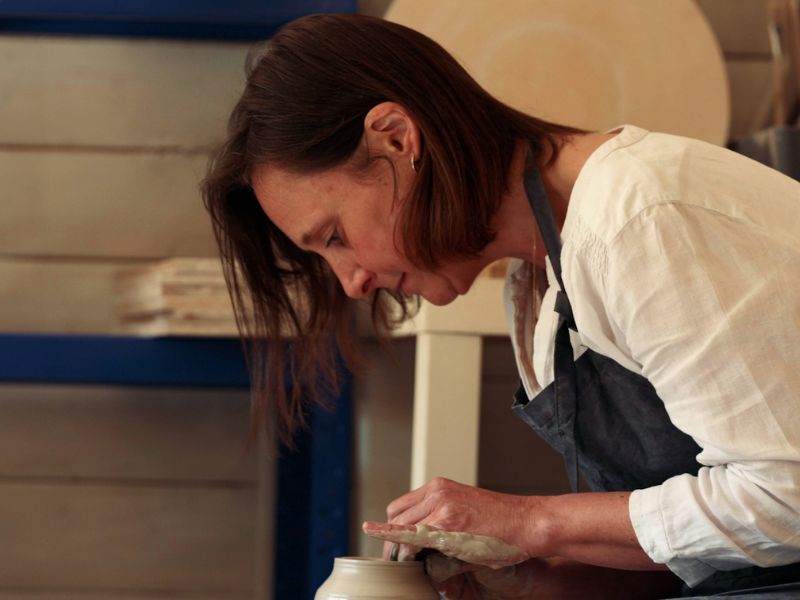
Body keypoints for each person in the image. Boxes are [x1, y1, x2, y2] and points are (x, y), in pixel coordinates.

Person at [202, 13, 800, 599]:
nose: (352, 283)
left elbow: (786, 497)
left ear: (397, 138)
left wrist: (530, 523)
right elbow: (704, 553)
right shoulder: (536, 287)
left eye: (333, 237)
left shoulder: (642, 218)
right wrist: (534, 579)